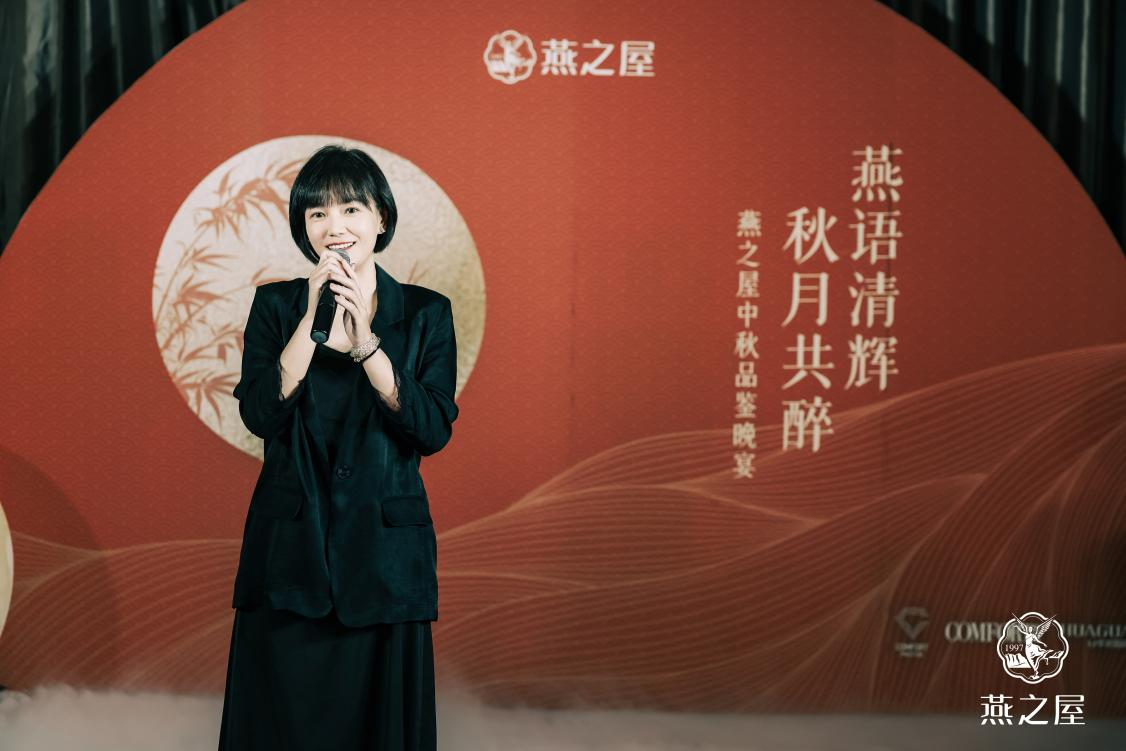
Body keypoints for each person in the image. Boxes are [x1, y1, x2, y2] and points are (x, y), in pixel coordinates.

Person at [217, 144, 459, 750]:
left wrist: (368, 345)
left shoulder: (426, 313)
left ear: (381, 218)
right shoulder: (276, 306)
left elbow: (432, 429)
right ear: (304, 228)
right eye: (318, 214)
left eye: (351, 209)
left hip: (383, 559)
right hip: (289, 553)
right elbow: (260, 415)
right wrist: (310, 322)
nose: (335, 227)